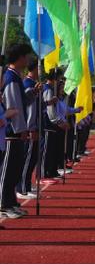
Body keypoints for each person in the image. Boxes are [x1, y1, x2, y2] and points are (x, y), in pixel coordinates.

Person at [1, 44, 32, 219]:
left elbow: (22, 102)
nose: (27, 60)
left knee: (15, 168)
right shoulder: (11, 78)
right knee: (8, 169)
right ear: (19, 57)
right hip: (11, 131)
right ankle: (4, 204)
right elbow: (14, 107)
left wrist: (32, 94)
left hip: (16, 131)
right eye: (25, 56)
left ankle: (11, 202)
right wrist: (21, 129)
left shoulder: (16, 77)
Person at [17, 58, 41, 199]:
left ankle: (26, 184)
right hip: (30, 126)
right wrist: (31, 127)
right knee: (28, 157)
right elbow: (30, 108)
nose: (41, 72)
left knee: (32, 158)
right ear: (35, 69)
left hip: (35, 125)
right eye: (40, 69)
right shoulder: (27, 84)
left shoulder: (34, 84)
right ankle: (22, 188)